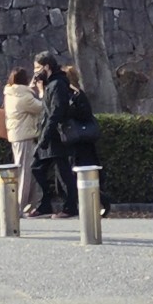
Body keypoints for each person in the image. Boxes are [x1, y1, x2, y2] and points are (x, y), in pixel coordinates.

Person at [27, 51, 77, 217]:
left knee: (63, 173)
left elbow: (55, 113)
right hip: (50, 134)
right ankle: (45, 204)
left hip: (56, 135)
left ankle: (70, 207)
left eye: (38, 68)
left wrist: (45, 136)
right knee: (38, 168)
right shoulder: (50, 84)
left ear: (47, 66)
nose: (35, 72)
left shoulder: (57, 84)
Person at [61, 65, 109, 218]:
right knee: (79, 175)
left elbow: (84, 114)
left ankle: (100, 201)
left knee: (81, 175)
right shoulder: (75, 94)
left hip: (80, 142)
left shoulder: (76, 95)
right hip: (81, 142)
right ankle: (89, 203)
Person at [1, 68, 43, 213]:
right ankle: (18, 207)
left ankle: (25, 205)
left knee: (22, 170)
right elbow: (42, 107)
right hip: (25, 137)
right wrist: (41, 91)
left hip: (16, 136)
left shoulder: (11, 93)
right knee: (25, 173)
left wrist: (30, 89)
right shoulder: (25, 96)